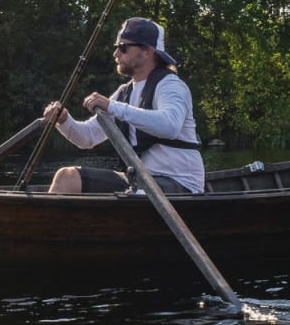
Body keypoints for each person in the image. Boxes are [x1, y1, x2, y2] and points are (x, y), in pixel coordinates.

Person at [41, 17, 204, 195]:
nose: (116, 54)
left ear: (147, 51)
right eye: (116, 47)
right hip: (140, 181)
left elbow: (170, 126)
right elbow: (87, 138)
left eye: (123, 47)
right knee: (67, 177)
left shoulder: (171, 86)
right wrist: (64, 120)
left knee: (136, 196)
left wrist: (112, 106)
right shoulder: (123, 93)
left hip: (180, 182)